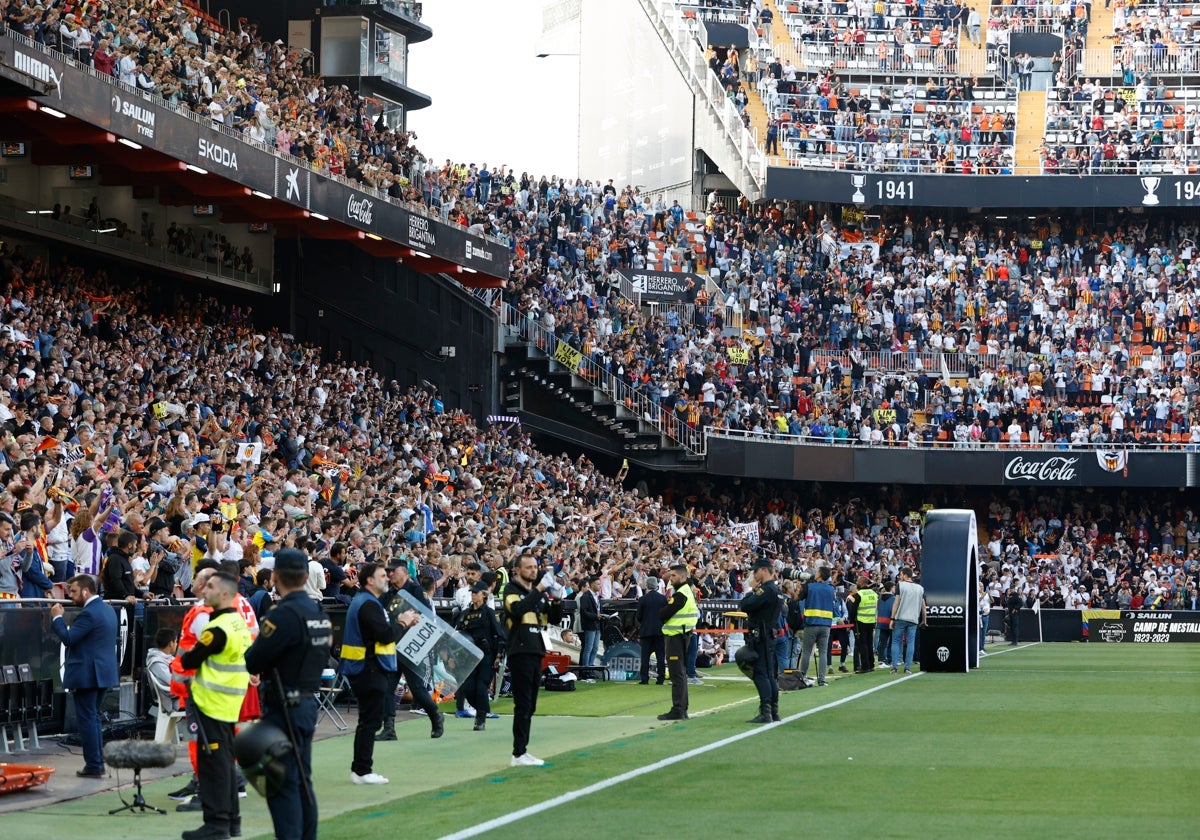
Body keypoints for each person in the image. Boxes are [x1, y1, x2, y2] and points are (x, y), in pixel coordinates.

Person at [243, 548, 333, 840]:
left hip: (284, 705)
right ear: (306, 577)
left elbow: (254, 660)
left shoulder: (282, 615)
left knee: (282, 785)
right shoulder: (318, 612)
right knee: (301, 781)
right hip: (307, 701)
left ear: (276, 577)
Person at [180, 571, 252, 840]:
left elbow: (190, 661)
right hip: (228, 703)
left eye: (209, 586)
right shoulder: (236, 622)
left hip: (212, 704)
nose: (202, 589)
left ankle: (216, 825)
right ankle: (231, 822)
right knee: (224, 765)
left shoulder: (217, 629)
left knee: (215, 768)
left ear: (224, 594)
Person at [341, 562, 418, 784]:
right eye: (383, 575)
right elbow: (385, 635)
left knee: (369, 720)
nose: (387, 578)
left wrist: (403, 624)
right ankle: (362, 771)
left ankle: (361, 769)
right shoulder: (367, 604)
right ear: (370, 580)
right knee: (370, 721)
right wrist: (402, 623)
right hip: (368, 669)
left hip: (367, 667)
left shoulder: (368, 602)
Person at [49, 574, 118, 778]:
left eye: (73, 591)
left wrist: (57, 618)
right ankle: (97, 762)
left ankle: (95, 764)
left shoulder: (89, 614)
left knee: (87, 719)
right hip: (102, 672)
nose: (70, 596)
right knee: (93, 718)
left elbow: (68, 638)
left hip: (89, 674)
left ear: (86, 591)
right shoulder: (107, 610)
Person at [502, 553, 563, 766]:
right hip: (520, 649)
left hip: (536, 649)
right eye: (528, 567)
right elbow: (517, 610)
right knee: (523, 703)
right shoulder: (511, 590)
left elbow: (554, 618)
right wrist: (539, 590)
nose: (533, 571)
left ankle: (522, 750)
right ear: (516, 570)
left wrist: (557, 599)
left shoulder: (536, 594)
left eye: (535, 567)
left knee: (531, 705)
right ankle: (518, 753)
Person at [378, 561, 444, 740]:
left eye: (393, 571)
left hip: (411, 646)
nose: (390, 574)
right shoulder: (387, 593)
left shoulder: (416, 590)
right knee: (387, 689)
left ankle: (436, 716)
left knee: (417, 688)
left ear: (405, 572)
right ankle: (389, 729)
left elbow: (425, 616)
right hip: (392, 645)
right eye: (388, 571)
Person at [454, 580, 506, 731]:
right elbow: (457, 631)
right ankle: (482, 709)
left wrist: (498, 656)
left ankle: (481, 717)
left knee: (481, 686)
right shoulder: (466, 613)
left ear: (483, 595)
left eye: (476, 593)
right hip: (469, 656)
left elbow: (499, 635)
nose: (473, 595)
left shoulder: (489, 613)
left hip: (486, 654)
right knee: (468, 687)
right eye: (472, 592)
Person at [740, 558, 782, 723]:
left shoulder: (766, 590)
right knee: (769, 674)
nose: (754, 574)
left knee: (761, 673)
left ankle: (766, 712)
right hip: (768, 635)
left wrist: (749, 590)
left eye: (756, 571)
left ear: (764, 570)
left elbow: (746, 605)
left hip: (762, 635)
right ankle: (773, 710)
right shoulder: (774, 589)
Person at [657, 563, 698, 720]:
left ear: (682, 576)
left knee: (677, 674)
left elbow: (664, 613)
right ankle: (682, 708)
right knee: (680, 673)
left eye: (673, 575)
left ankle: (678, 709)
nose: (670, 578)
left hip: (675, 637)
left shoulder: (680, 594)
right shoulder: (686, 592)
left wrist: (662, 611)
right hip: (682, 635)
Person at [798, 566, 835, 687]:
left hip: (812, 623)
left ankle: (802, 676)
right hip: (826, 624)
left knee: (807, 651)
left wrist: (806, 583)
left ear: (819, 575)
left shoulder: (810, 587)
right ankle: (822, 679)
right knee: (823, 652)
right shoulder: (831, 589)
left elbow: (799, 597)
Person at [890, 567, 927, 674]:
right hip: (913, 619)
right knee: (911, 643)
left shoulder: (900, 585)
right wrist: (924, 620)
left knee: (896, 642)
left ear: (906, 575)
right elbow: (923, 607)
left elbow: (896, 603)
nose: (899, 577)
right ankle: (907, 668)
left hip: (901, 617)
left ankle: (894, 667)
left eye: (901, 575)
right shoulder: (920, 588)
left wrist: (892, 618)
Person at [635, 576, 667, 685]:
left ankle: (644, 678)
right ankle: (661, 678)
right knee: (660, 656)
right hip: (660, 631)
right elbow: (665, 615)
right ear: (656, 586)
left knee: (645, 656)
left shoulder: (643, 599)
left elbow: (638, 616)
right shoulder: (663, 599)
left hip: (646, 631)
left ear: (647, 585)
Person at [848, 575, 877, 673]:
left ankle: (865, 666)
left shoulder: (859, 595)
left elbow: (853, 610)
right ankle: (871, 664)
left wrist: (851, 621)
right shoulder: (873, 593)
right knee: (869, 644)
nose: (857, 583)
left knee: (862, 645)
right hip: (871, 621)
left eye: (858, 581)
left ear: (863, 583)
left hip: (860, 622)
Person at [578, 575, 603, 669]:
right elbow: (584, 612)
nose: (600, 586)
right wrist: (595, 616)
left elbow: (599, 609)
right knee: (588, 648)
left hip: (597, 625)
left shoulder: (598, 596)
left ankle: (591, 667)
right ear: (592, 585)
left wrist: (601, 615)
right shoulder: (585, 596)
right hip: (589, 625)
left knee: (595, 648)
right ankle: (585, 669)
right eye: (598, 584)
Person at [875, 579, 895, 667]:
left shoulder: (880, 599)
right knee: (892, 642)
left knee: (882, 642)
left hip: (881, 622)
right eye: (894, 587)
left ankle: (881, 660)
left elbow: (878, 609)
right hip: (890, 622)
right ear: (891, 588)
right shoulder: (894, 599)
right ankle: (890, 660)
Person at [979, 582, 992, 653]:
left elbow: (992, 601)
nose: (982, 587)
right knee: (979, 633)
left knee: (984, 633)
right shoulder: (977, 594)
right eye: (980, 586)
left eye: (982, 586)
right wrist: (983, 594)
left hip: (986, 615)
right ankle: (979, 647)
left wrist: (989, 594)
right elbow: (978, 600)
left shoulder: (986, 594)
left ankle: (982, 647)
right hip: (979, 616)